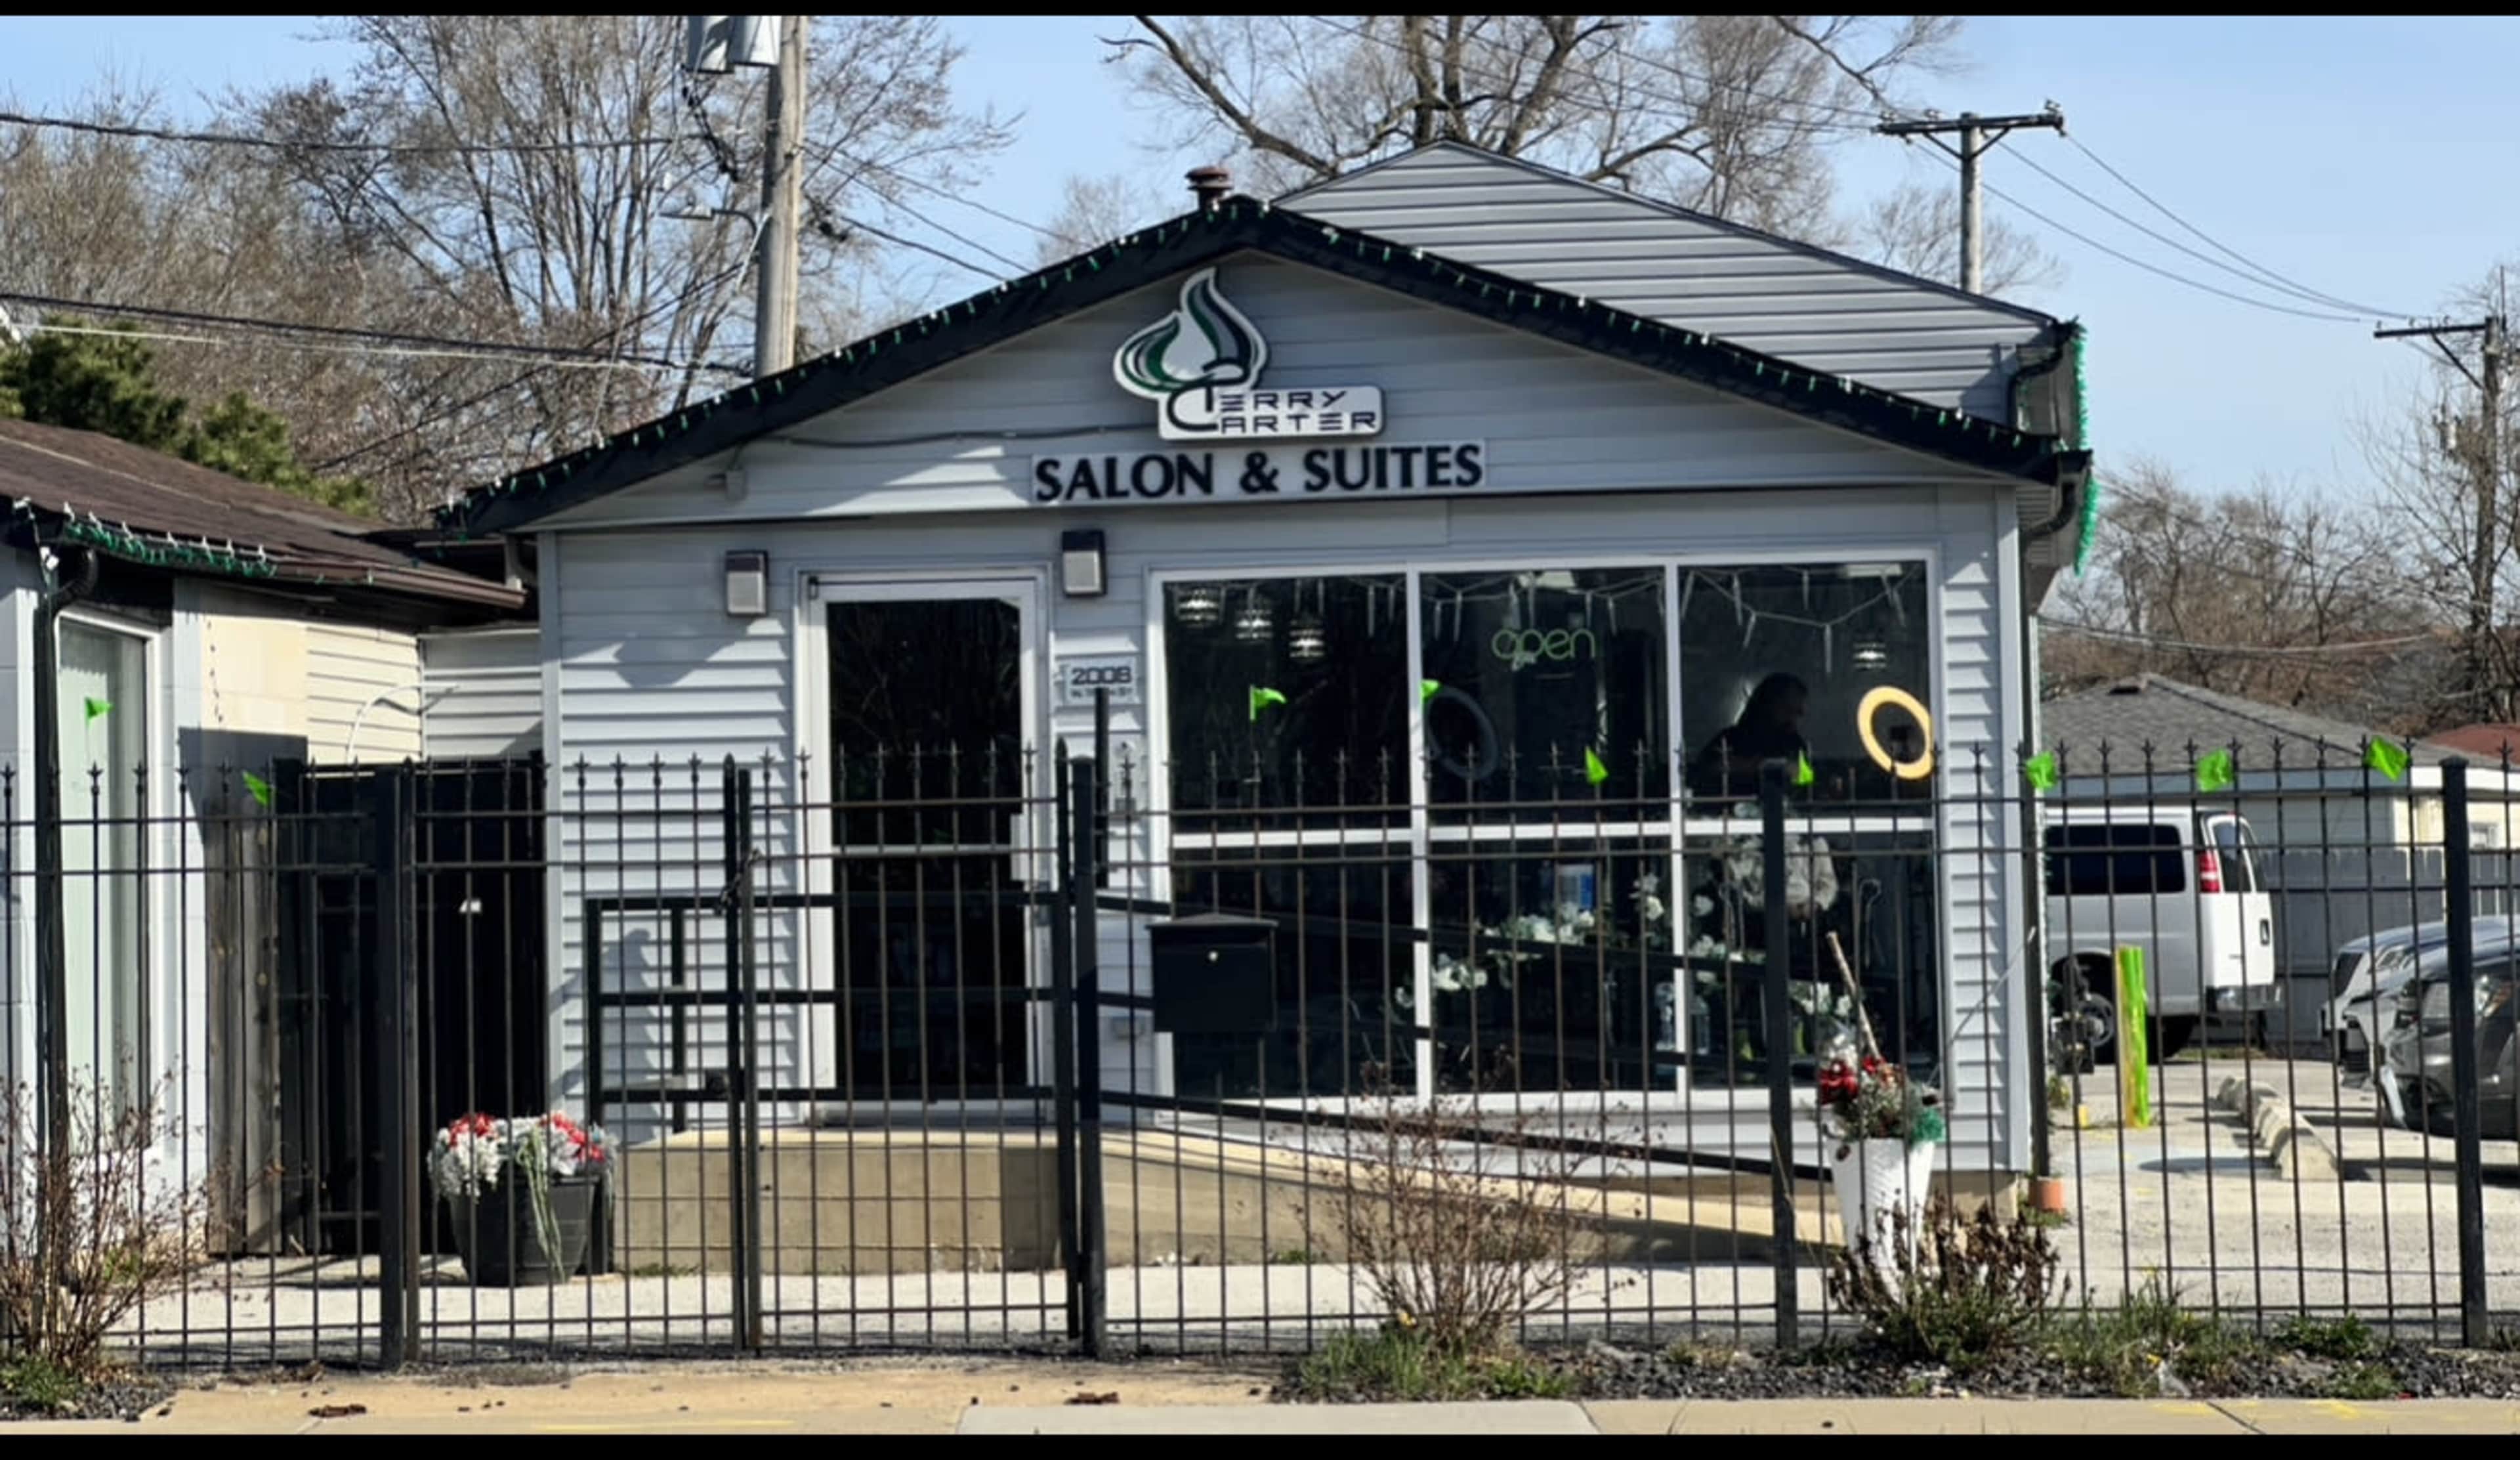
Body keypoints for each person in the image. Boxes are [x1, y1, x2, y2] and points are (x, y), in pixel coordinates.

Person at [1688, 672, 1811, 800]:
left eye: (1798, 713)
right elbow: (1709, 769)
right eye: (1787, 710)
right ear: (1768, 704)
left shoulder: (1794, 743)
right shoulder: (1732, 739)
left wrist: (1800, 773)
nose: (1793, 718)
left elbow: (1807, 782)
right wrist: (1761, 766)